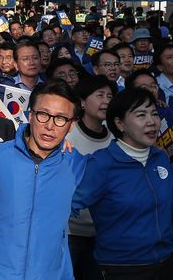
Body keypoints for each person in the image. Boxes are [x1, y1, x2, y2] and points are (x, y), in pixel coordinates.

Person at [0, 79, 84, 279]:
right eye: (43, 115)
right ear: (30, 115)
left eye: (60, 119)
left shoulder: (76, 164)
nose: (50, 126)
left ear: (71, 125)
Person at [72, 88, 173, 279]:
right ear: (119, 123)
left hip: (168, 263)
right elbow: (67, 205)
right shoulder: (101, 164)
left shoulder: (160, 158)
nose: (151, 121)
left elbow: (170, 207)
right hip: (122, 268)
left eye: (154, 114)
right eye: (141, 115)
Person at [66, 76, 117, 280]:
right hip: (70, 231)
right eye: (100, 95)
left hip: (104, 233)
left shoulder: (117, 138)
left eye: (110, 96)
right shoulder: (68, 136)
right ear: (83, 102)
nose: (106, 101)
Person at [126, 69, 173, 161]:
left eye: (153, 86)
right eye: (144, 87)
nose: (150, 90)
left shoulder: (171, 113)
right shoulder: (128, 121)